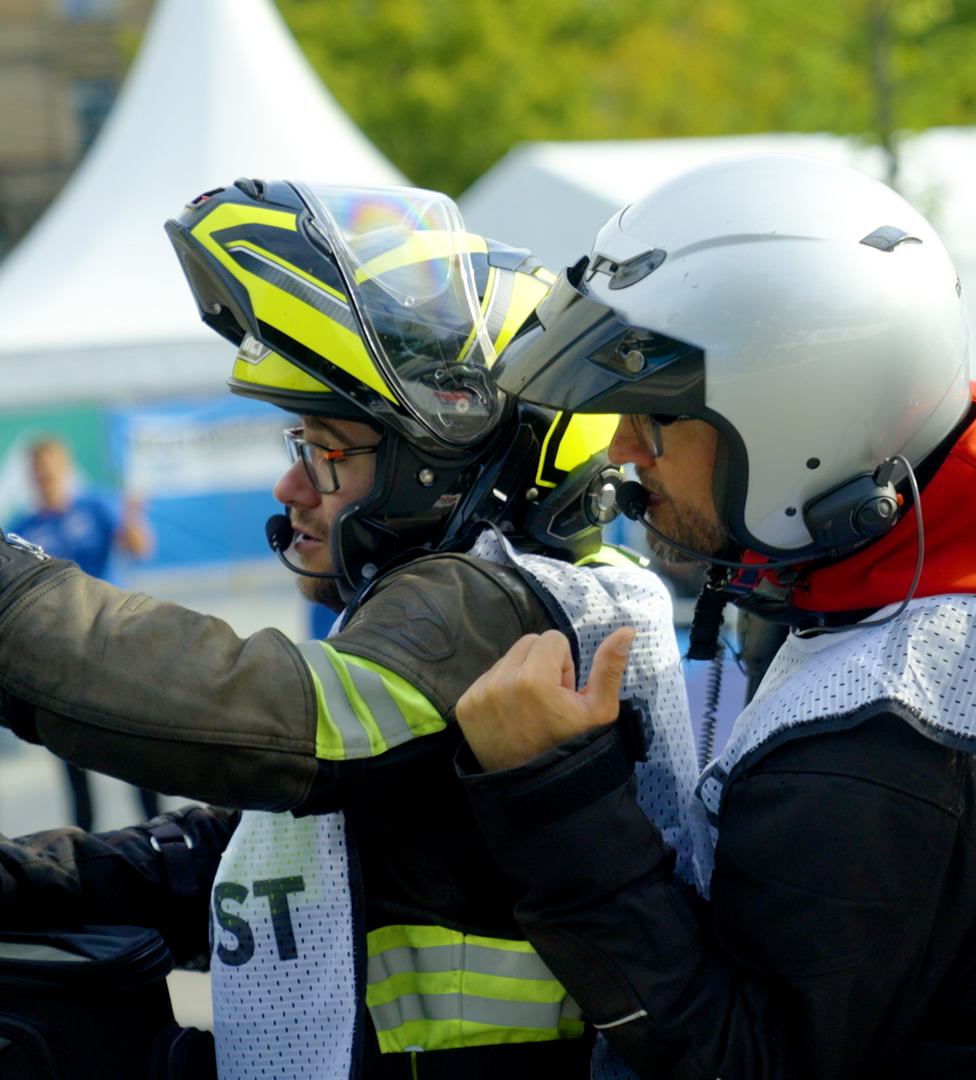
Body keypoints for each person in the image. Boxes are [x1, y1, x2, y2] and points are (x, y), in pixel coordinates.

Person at [450, 153, 976, 1079]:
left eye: (651, 418)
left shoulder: (891, 721)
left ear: (792, 420)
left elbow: (743, 1059)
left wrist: (552, 797)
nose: (621, 454)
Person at [0, 180, 695, 1080]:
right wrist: (35, 876)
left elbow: (258, 714)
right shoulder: (545, 597)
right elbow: (282, 846)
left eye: (328, 453)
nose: (293, 489)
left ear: (445, 465)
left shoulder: (506, 610)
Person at [6, 435, 159, 829]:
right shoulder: (22, 529)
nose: (46, 478)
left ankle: (157, 830)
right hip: (59, 656)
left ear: (66, 469)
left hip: (113, 639)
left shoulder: (96, 505)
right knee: (71, 758)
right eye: (39, 472)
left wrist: (134, 518)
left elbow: (139, 548)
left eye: (52, 470)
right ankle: (83, 844)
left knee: (136, 746)